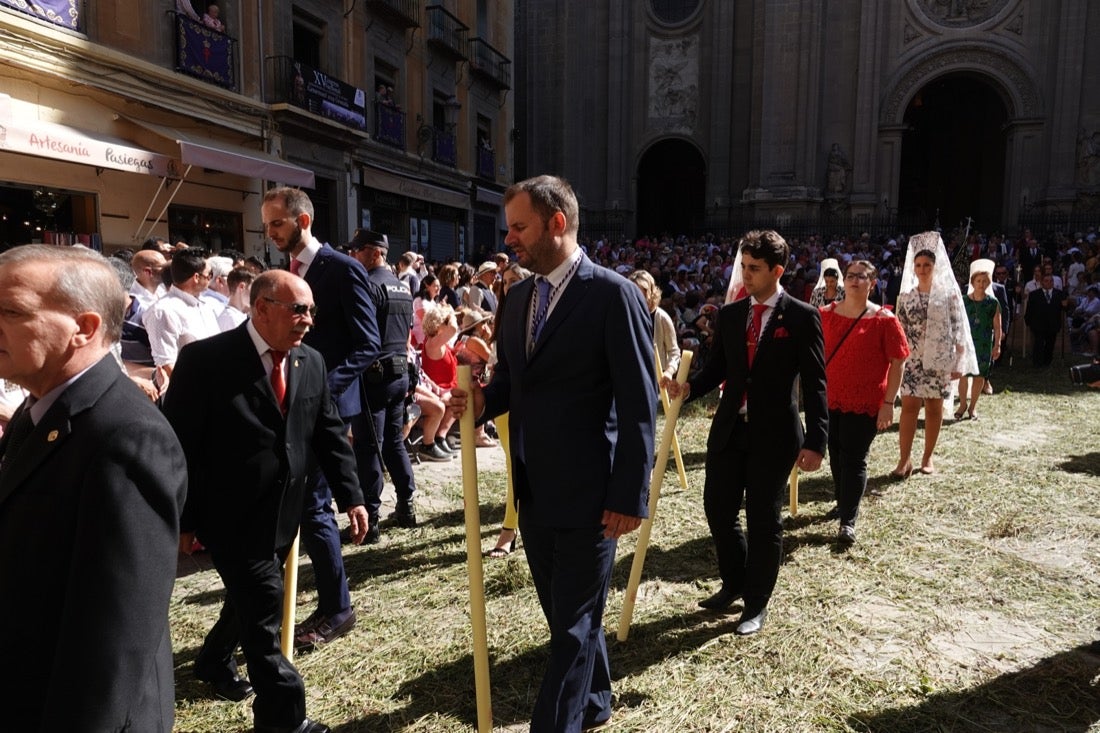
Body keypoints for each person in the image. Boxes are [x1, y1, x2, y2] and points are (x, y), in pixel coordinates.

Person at [449, 175, 657, 731]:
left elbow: (641, 405)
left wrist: (629, 495)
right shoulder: (516, 298)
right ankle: (595, 702)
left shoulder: (614, 294)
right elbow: (515, 382)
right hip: (534, 492)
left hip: (594, 495)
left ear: (556, 223)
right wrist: (476, 399)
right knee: (569, 618)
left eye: (519, 227)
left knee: (571, 628)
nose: (509, 239)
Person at [166, 270, 367, 733]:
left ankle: (214, 661)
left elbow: (328, 434)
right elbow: (180, 447)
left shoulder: (310, 362)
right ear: (261, 308)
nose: (308, 320)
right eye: (299, 309)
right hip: (229, 515)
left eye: (312, 311)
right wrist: (185, 517)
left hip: (283, 514)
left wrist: (352, 497)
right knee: (265, 610)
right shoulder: (205, 361)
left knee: (248, 600)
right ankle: (284, 720)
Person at [0, 245, 186, 730]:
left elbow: (113, 637)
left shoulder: (127, 436)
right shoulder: (42, 409)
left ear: (82, 328)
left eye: (11, 311)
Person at [664, 230, 827, 635]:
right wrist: (689, 389)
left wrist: (816, 440)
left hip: (774, 435)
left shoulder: (803, 317)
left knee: (762, 519)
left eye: (754, 268)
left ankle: (755, 603)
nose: (746, 274)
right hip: (730, 429)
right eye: (743, 266)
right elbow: (719, 367)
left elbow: (816, 381)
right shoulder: (732, 314)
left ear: (777, 270)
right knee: (718, 509)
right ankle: (733, 582)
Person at [263, 187, 380, 650]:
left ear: (303, 220)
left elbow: (368, 343)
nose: (270, 232)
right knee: (299, 505)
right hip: (289, 406)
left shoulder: (344, 269)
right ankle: (316, 602)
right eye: (268, 224)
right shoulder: (282, 274)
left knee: (312, 507)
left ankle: (337, 608)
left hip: (327, 411)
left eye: (277, 223)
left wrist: (320, 390)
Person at [819, 260, 909, 545]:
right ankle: (842, 501)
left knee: (854, 457)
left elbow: (898, 362)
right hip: (829, 398)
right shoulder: (825, 315)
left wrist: (888, 402)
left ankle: (848, 521)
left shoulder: (885, 320)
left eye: (862, 276)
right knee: (834, 452)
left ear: (873, 282)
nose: (855, 280)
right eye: (851, 275)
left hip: (866, 400)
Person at [345, 229, 418, 540]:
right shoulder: (402, 287)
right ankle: (406, 505)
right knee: (393, 443)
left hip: (374, 376)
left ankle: (371, 520)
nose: (352, 257)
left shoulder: (368, 286)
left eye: (356, 251)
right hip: (399, 372)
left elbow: (360, 334)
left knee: (368, 447)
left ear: (372, 252)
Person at [893, 232, 978, 477]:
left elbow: (959, 328)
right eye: (918, 265)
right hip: (912, 360)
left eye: (927, 265)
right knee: (908, 407)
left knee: (933, 408)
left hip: (939, 360)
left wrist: (959, 360)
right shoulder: (905, 297)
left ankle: (927, 457)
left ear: (934, 266)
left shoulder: (948, 296)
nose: (922, 269)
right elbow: (900, 330)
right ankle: (904, 459)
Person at [956, 259, 1002, 420]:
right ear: (973, 282)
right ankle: (962, 404)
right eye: (978, 281)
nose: (981, 284)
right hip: (966, 343)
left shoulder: (993, 303)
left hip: (983, 344)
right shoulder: (964, 301)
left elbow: (997, 326)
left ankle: (973, 407)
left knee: (979, 375)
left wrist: (997, 345)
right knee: (963, 374)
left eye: (984, 281)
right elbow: (957, 323)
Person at [1024, 271, 1069, 367]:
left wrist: (1065, 306)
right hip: (1038, 323)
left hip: (1053, 323)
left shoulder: (1060, 294)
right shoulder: (1034, 294)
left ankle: (1047, 361)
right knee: (1038, 343)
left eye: (1051, 281)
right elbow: (1030, 309)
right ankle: (1037, 362)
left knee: (1050, 344)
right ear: (1042, 282)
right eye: (1046, 281)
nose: (1049, 283)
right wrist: (1028, 321)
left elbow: (1065, 309)